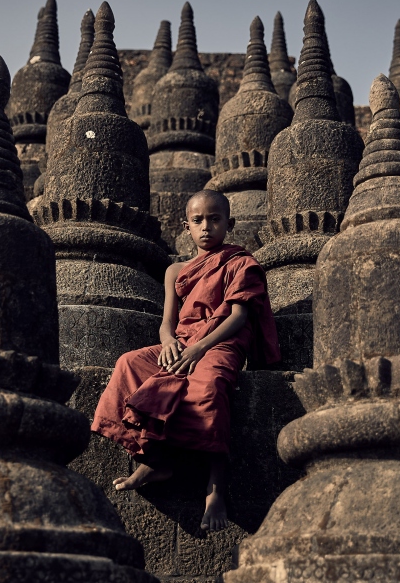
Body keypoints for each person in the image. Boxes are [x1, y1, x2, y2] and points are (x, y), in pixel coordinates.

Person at [91, 189, 280, 532]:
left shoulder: (240, 262)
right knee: (129, 364)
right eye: (197, 221)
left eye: (214, 219)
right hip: (181, 342)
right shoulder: (176, 269)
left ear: (229, 223)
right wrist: (168, 344)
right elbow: (167, 322)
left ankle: (215, 488)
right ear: (186, 227)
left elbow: (238, 317)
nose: (206, 227)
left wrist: (199, 349)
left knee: (207, 390)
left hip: (221, 343)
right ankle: (153, 459)